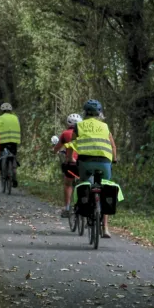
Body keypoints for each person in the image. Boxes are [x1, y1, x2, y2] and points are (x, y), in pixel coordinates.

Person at [67, 99, 118, 237]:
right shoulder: (105, 126)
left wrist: (70, 159)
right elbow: (113, 146)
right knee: (106, 189)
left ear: (85, 112)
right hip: (104, 163)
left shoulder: (79, 126)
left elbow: (72, 145)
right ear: (99, 113)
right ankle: (105, 228)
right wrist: (114, 159)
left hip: (85, 162)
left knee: (84, 183)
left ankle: (84, 209)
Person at [52, 113, 82, 218]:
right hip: (84, 163)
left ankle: (67, 208)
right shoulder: (84, 133)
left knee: (68, 184)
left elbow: (57, 148)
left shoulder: (65, 134)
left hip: (71, 164)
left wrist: (54, 151)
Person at [0, 102, 21, 187]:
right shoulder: (15, 118)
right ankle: (14, 173)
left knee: (2, 156)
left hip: (2, 141)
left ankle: (0, 168)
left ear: (2, 110)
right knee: (13, 156)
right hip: (14, 140)